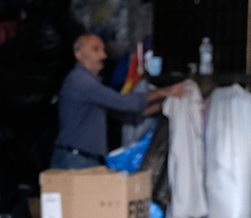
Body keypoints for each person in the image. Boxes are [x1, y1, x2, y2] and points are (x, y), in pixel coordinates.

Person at [52, 34, 184, 170]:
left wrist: (161, 106)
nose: (103, 56)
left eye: (103, 50)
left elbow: (123, 114)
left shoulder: (91, 83)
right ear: (79, 55)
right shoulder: (79, 80)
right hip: (75, 162)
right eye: (96, 49)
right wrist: (163, 91)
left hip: (83, 160)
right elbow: (123, 102)